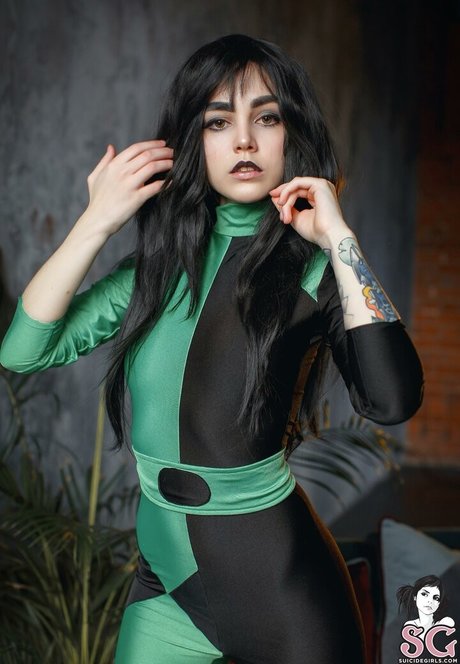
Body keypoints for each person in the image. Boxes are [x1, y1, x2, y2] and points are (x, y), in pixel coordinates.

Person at [0, 34, 423, 664]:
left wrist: (339, 239)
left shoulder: (315, 271)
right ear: (193, 141)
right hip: (168, 589)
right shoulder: (155, 270)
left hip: (285, 600)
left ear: (291, 133)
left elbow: (392, 400)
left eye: (267, 118)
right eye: (218, 121)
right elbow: (23, 351)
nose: (244, 140)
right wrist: (97, 220)